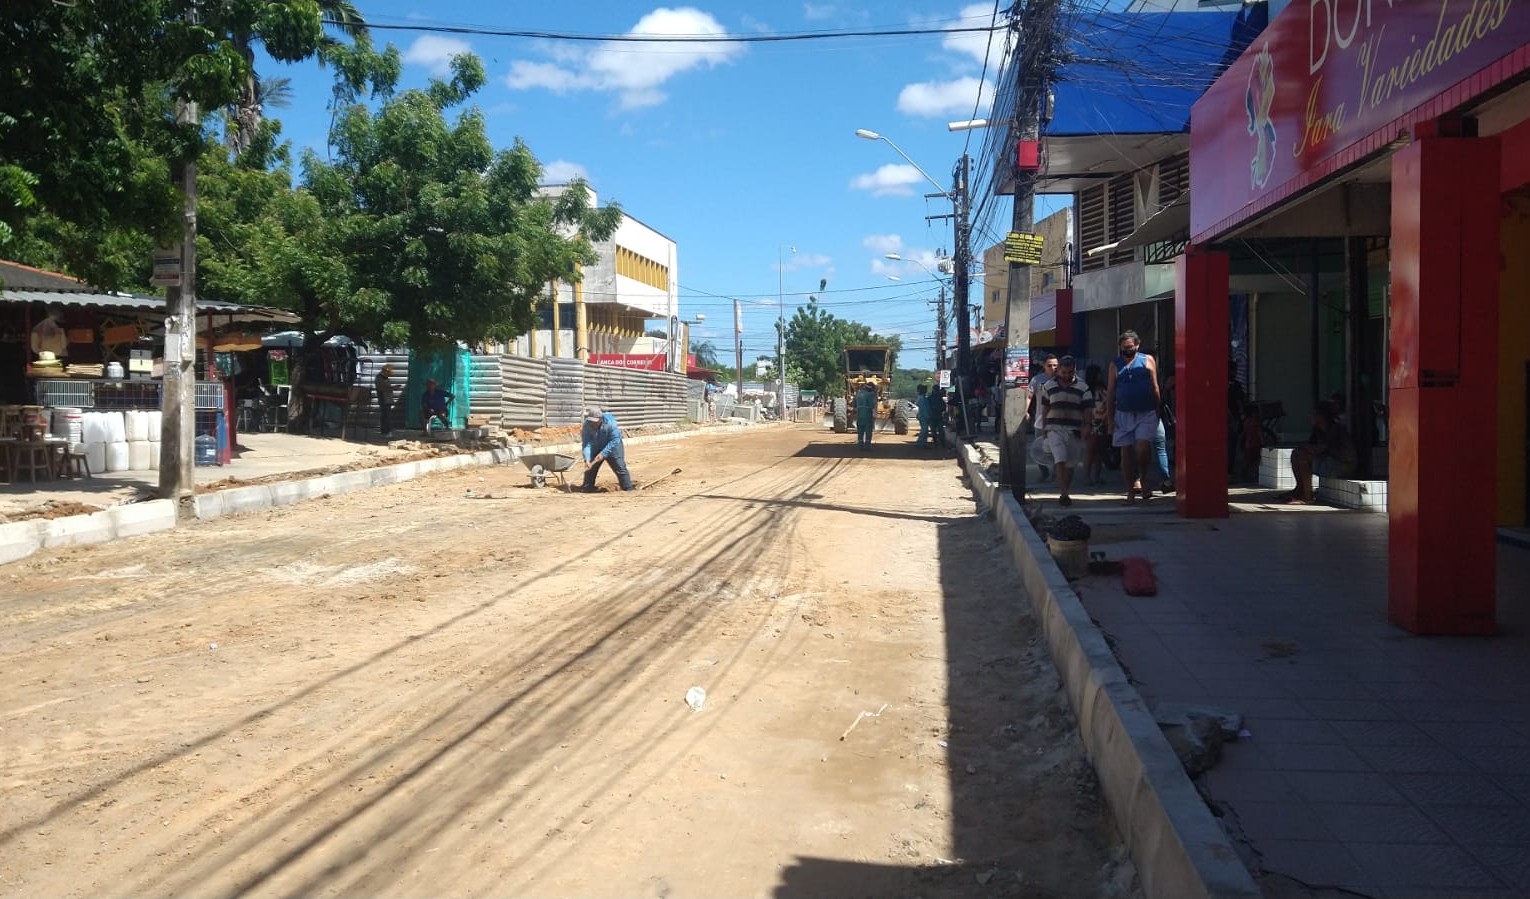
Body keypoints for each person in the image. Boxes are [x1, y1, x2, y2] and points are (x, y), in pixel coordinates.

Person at [1105, 330, 1162, 504]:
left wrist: (1158, 409)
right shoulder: (1115, 365)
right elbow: (1111, 392)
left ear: (1137, 346)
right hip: (1123, 413)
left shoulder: (1147, 360)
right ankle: (1130, 489)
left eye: (1130, 347)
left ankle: (1144, 478)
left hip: (1146, 412)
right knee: (1126, 452)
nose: (1127, 351)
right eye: (1123, 348)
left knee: (1142, 448)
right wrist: (1110, 418)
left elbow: (1155, 387)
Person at [1040, 356, 1091, 507]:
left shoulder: (1083, 387)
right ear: (1059, 371)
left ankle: (1066, 489)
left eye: (1070, 372)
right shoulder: (1049, 386)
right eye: (1064, 372)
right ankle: (1063, 493)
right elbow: (1045, 408)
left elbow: (1088, 408)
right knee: (1060, 460)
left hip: (1074, 430)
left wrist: (1087, 425)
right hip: (1054, 429)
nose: (1067, 375)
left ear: (1074, 370)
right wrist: (1044, 428)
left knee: (1070, 464)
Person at [1287, 401, 1357, 504]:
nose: (1311, 417)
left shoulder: (1336, 430)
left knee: (1303, 458)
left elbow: (1336, 452)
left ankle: (1308, 496)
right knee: (1296, 454)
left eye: (1314, 414)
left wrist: (1317, 449)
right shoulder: (1317, 430)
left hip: (1342, 464)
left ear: (1321, 416)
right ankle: (1300, 488)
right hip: (1327, 461)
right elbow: (1312, 446)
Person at [581, 405, 635, 492]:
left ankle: (628, 488)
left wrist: (603, 453)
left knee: (619, 466)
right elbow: (586, 443)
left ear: (601, 419)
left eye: (596, 421)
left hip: (613, 446)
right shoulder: (587, 425)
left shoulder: (610, 423)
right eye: (591, 421)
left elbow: (615, 439)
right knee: (590, 466)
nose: (593, 423)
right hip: (596, 444)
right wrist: (587, 458)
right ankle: (587, 487)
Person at [1083, 364, 1109, 486]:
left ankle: (1093, 476)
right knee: (1093, 450)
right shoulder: (1093, 390)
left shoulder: (1088, 389)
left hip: (1098, 421)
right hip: (1095, 421)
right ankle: (1090, 476)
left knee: (1097, 451)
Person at [854, 380, 878, 450]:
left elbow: (854, 404)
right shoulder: (870, 395)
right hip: (867, 415)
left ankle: (860, 446)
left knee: (860, 431)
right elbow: (872, 405)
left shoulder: (858, 394)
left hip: (859, 415)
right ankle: (867, 446)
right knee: (868, 431)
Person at [374, 364, 395, 436]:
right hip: (383, 399)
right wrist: (392, 388)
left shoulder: (386, 378)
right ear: (385, 371)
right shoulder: (379, 378)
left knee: (386, 416)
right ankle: (387, 431)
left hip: (388, 400)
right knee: (386, 416)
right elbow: (381, 389)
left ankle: (384, 431)